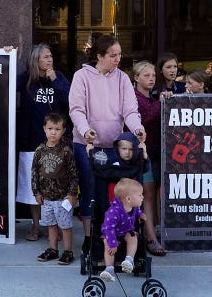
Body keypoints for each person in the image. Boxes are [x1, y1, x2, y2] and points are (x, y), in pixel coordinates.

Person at [68, 34, 146, 255]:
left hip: (114, 146)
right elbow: (76, 110)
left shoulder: (122, 78)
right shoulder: (81, 76)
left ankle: (111, 234)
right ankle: (89, 237)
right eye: (113, 55)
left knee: (112, 193)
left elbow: (130, 110)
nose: (117, 59)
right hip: (87, 145)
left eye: (119, 54)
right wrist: (86, 131)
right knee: (90, 191)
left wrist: (137, 128)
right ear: (99, 56)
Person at [15, 43, 71, 241]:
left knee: (54, 185)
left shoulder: (59, 78)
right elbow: (7, 83)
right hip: (31, 142)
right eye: (45, 57)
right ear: (36, 60)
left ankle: (52, 227)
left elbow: (70, 100)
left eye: (51, 56)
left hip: (55, 143)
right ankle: (36, 225)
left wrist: (56, 81)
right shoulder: (27, 80)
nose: (50, 60)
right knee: (33, 187)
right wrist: (7, 55)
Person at [32, 112, 78, 265]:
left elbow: (73, 174)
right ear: (44, 129)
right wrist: (36, 192)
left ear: (63, 130)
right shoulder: (39, 150)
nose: (53, 132)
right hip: (46, 198)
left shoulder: (66, 151)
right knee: (50, 225)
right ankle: (53, 249)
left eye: (57, 129)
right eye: (50, 128)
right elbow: (34, 172)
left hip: (62, 197)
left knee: (65, 226)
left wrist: (72, 194)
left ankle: (67, 251)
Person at [131, 61, 166, 256]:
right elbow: (146, 116)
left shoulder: (153, 99)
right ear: (136, 78)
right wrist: (164, 102)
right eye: (146, 75)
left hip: (156, 153)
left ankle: (152, 233)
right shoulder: (134, 99)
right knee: (147, 194)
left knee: (153, 195)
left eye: (153, 75)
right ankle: (150, 237)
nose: (151, 78)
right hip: (140, 156)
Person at [98, 178, 146, 282]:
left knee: (133, 237)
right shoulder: (114, 212)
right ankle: (109, 269)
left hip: (125, 231)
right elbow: (108, 227)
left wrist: (140, 214)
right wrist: (113, 243)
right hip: (111, 233)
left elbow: (137, 211)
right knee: (107, 244)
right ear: (128, 199)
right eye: (140, 195)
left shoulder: (133, 207)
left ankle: (129, 260)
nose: (142, 197)